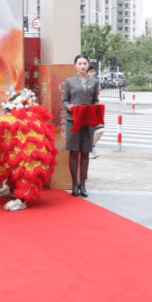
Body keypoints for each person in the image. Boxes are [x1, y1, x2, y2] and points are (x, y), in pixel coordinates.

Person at [63, 54, 99, 198]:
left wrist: (96, 107)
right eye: (80, 63)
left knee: (85, 153)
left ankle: (83, 184)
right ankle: (74, 184)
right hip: (73, 120)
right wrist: (68, 106)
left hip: (88, 121)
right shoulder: (69, 81)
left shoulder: (94, 82)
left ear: (88, 65)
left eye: (85, 63)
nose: (82, 66)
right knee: (74, 152)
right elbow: (65, 100)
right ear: (75, 66)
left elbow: (95, 100)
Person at [88, 65, 104, 159]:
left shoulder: (96, 83)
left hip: (95, 110)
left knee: (100, 130)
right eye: (91, 71)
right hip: (88, 110)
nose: (93, 73)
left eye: (94, 71)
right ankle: (90, 150)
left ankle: (91, 147)